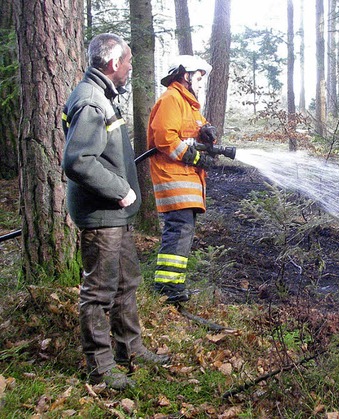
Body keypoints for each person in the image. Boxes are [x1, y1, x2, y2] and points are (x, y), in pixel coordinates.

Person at [62, 33, 169, 390]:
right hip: (102, 213)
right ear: (112, 64)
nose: (129, 68)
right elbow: (78, 161)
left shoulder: (103, 95)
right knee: (99, 290)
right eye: (127, 62)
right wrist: (119, 189)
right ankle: (102, 367)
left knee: (126, 283)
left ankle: (130, 348)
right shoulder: (92, 101)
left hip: (115, 214)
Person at [147, 55, 218, 303]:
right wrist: (194, 158)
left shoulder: (189, 105)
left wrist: (209, 133)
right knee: (178, 229)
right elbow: (165, 138)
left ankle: (174, 285)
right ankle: (167, 289)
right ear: (184, 75)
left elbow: (196, 134)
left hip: (186, 179)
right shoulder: (171, 99)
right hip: (173, 177)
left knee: (183, 229)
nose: (200, 84)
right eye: (198, 78)